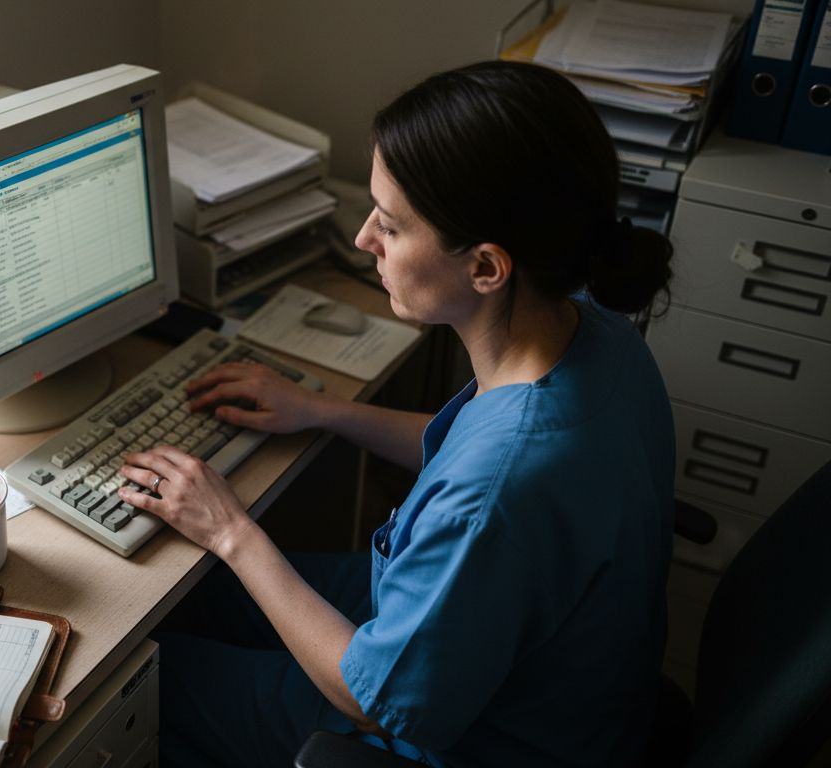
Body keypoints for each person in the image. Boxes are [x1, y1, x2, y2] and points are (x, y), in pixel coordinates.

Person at [117, 60, 676, 767]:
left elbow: (373, 697)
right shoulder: (599, 335)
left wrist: (231, 530)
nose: (362, 240)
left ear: (486, 268)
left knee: (150, 681)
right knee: (197, 597)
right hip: (543, 668)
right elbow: (475, 451)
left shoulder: (497, 490)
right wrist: (322, 410)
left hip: (474, 739)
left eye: (389, 224)